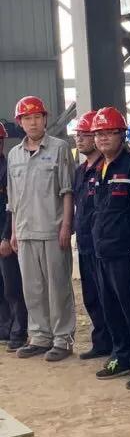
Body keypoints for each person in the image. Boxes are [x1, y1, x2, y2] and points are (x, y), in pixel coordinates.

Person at [7, 96, 76, 361]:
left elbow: (67, 190)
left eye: (37, 117)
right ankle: (39, 336)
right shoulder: (14, 155)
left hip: (52, 229)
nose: (33, 122)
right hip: (25, 231)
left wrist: (66, 226)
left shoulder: (60, 148)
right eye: (27, 118)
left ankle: (63, 338)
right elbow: (13, 200)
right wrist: (14, 232)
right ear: (20, 122)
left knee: (58, 288)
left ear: (45, 119)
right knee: (32, 289)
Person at [91, 107, 130, 389]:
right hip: (102, 250)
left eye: (110, 133)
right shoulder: (98, 168)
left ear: (122, 135)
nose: (103, 138)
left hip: (125, 251)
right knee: (111, 308)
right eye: (99, 134)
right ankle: (121, 355)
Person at [72, 111, 113, 361]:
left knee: (109, 297)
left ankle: (117, 345)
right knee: (91, 296)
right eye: (77, 135)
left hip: (104, 244)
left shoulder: (105, 168)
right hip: (86, 242)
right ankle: (101, 341)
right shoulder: (80, 171)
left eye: (85, 135)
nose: (80, 139)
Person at [0, 122, 28, 351]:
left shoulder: (7, 168)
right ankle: (4, 328)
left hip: (5, 236)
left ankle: (18, 330)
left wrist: (6, 235)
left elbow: (12, 206)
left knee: (12, 286)